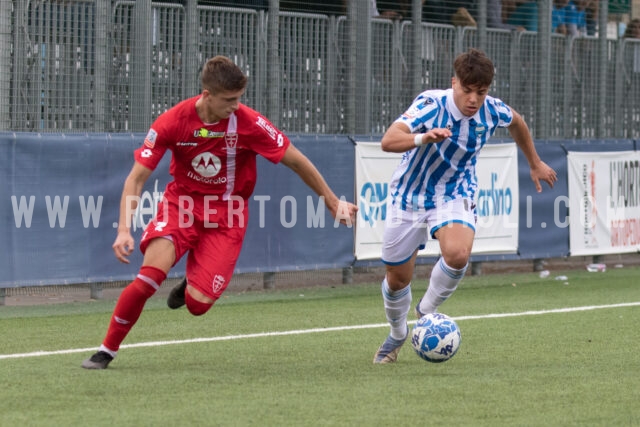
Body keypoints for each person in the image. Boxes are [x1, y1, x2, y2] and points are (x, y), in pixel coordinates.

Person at [82, 55, 358, 369]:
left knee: (197, 306)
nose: (236, 106)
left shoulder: (250, 123)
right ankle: (107, 350)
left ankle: (191, 282)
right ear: (207, 95)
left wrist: (332, 202)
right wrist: (123, 229)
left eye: (240, 98)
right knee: (148, 279)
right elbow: (137, 177)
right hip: (181, 206)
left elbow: (296, 160)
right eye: (230, 100)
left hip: (228, 216)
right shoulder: (172, 121)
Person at [372, 48, 557, 364]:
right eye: (467, 90)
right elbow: (389, 141)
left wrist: (535, 162)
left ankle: (427, 312)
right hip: (409, 197)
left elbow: (517, 123)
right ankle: (398, 332)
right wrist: (423, 138)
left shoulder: (491, 110)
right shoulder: (431, 104)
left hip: (455, 193)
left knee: (458, 255)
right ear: (453, 82)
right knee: (396, 279)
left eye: (481, 92)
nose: (473, 99)